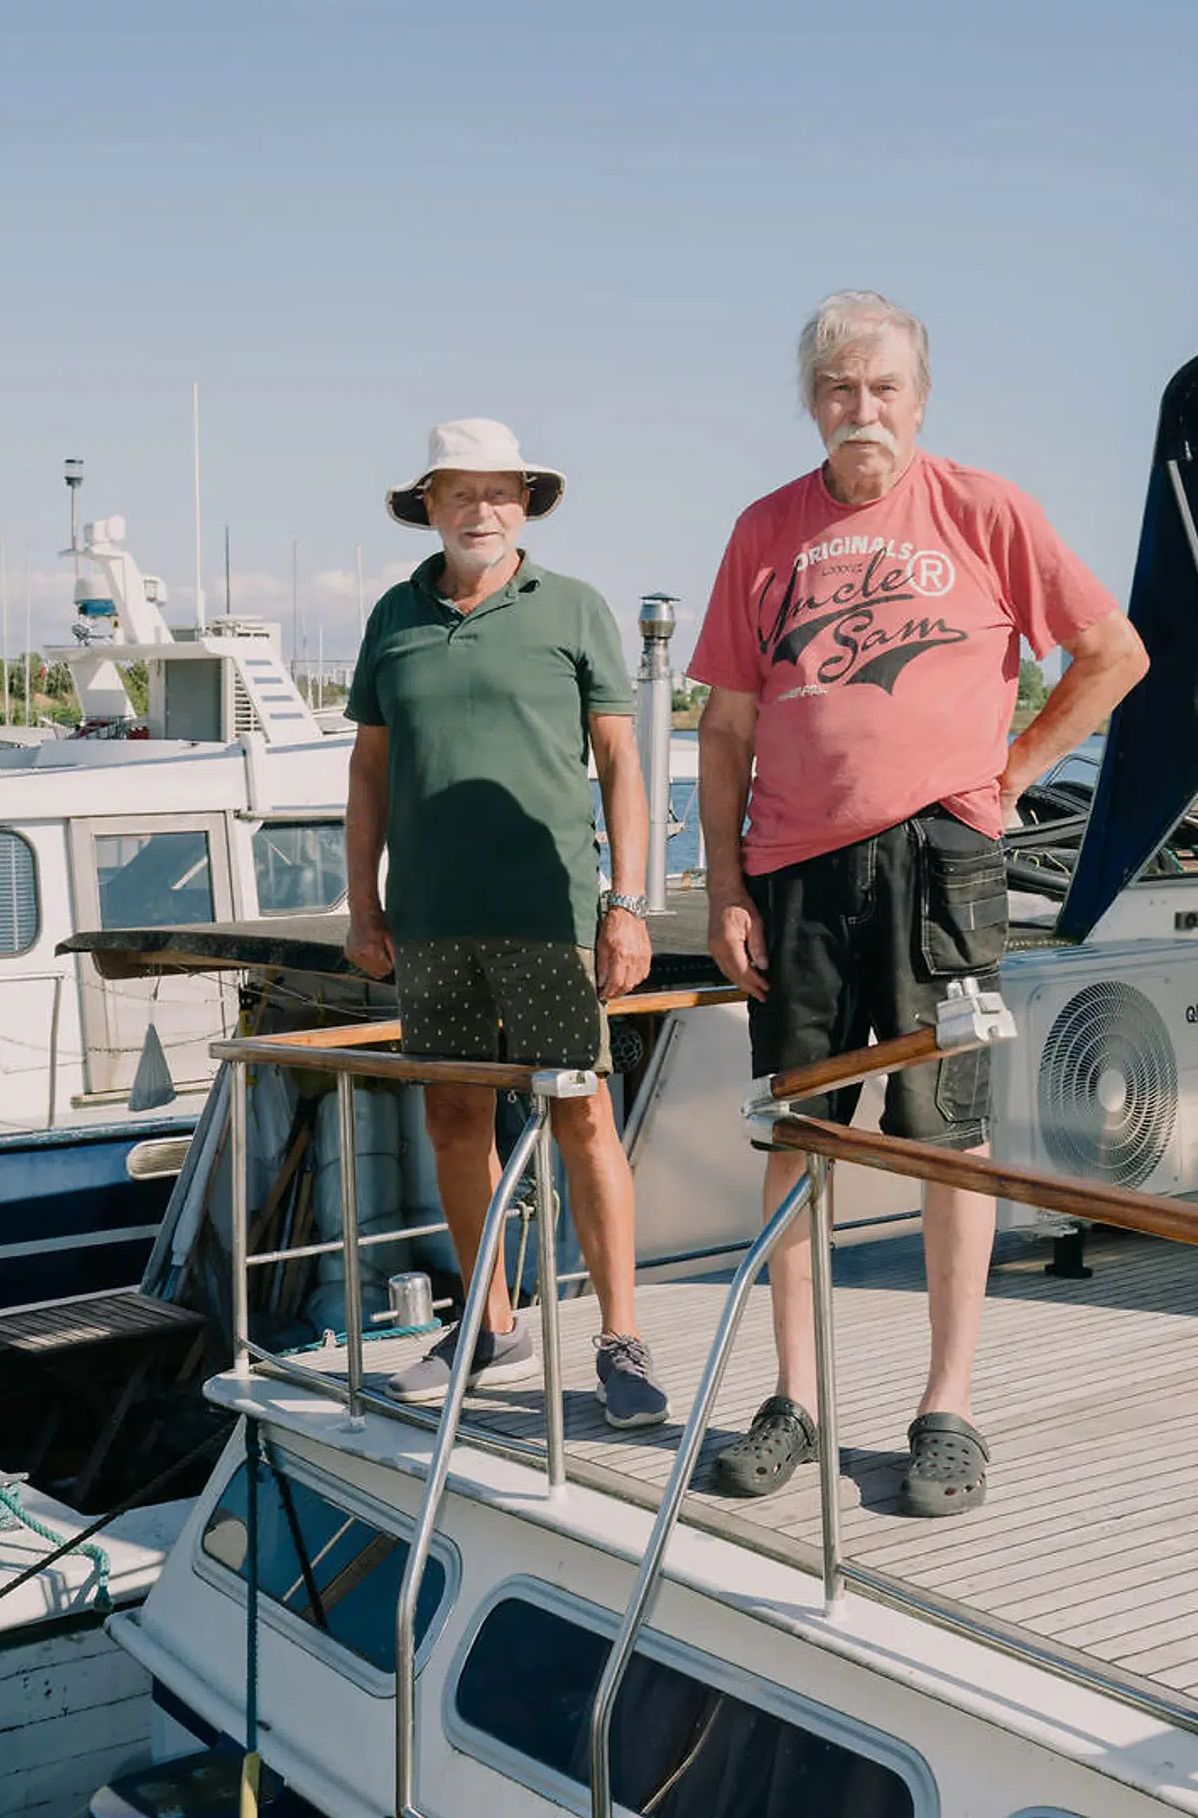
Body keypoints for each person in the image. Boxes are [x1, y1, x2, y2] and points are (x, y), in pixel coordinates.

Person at [689, 292, 1148, 1514]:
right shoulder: (763, 530)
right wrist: (725, 883)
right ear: (811, 402)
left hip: (941, 865)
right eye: (839, 388)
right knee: (796, 1133)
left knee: (950, 1134)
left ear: (921, 396)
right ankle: (793, 1397)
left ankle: (948, 1406)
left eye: (883, 386)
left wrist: (1017, 768)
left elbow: (1115, 653)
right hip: (790, 870)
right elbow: (726, 722)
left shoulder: (986, 510)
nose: (862, 408)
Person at [343, 417, 667, 1430]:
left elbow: (621, 764)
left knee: (581, 1115)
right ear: (429, 507)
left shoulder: (571, 608)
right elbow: (366, 771)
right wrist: (363, 902)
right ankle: (489, 1322)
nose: (481, 510)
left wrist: (627, 904)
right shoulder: (392, 616)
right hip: (433, 924)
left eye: (500, 492)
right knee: (451, 1117)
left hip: (552, 914)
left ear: (523, 505)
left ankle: (621, 1339)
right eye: (459, 493)